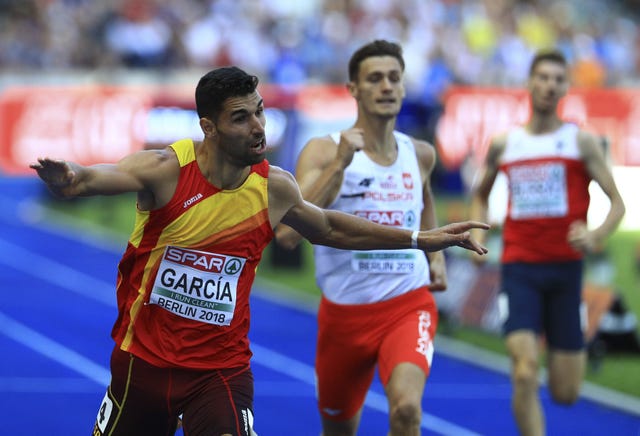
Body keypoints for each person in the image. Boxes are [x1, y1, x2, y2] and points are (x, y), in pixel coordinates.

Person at [30, 66, 490, 436]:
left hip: (221, 371)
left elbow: (328, 227)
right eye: (241, 118)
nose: (259, 128)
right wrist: (70, 177)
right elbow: (91, 178)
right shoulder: (166, 170)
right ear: (208, 127)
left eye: (260, 112)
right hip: (143, 365)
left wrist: (419, 239)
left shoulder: (273, 188)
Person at [275, 40, 448, 436]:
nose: (386, 87)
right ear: (353, 88)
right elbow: (286, 234)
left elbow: (425, 200)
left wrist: (435, 258)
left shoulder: (419, 153)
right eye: (374, 79)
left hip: (408, 302)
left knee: (406, 411)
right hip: (344, 314)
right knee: (338, 428)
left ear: (404, 87)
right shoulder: (322, 151)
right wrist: (340, 165)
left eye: (394, 78)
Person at [469, 49, 625, 436]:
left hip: (566, 272)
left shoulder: (581, 142)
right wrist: (477, 234)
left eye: (558, 78)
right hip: (519, 268)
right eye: (543, 77)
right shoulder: (506, 143)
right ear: (530, 83)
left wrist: (596, 235)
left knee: (566, 391)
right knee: (524, 371)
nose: (549, 85)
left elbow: (618, 203)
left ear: (566, 87)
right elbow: (480, 193)